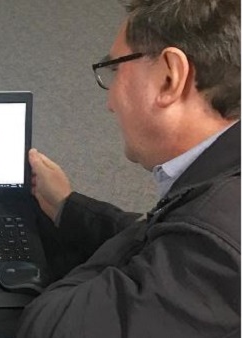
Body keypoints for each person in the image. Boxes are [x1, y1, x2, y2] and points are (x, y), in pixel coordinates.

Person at [18, 0, 240, 336]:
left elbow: (50, 325)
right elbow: (156, 239)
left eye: (116, 69)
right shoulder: (221, 180)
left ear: (169, 77)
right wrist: (67, 204)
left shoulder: (214, 247)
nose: (109, 104)